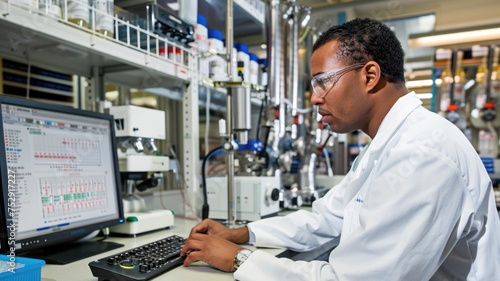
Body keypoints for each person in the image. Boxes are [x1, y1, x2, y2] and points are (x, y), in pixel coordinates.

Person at [180, 18, 500, 280]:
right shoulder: (387, 146)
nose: (315, 98)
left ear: (370, 76)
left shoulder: (422, 154)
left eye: (323, 81)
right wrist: (241, 233)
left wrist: (240, 260)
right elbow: (326, 218)